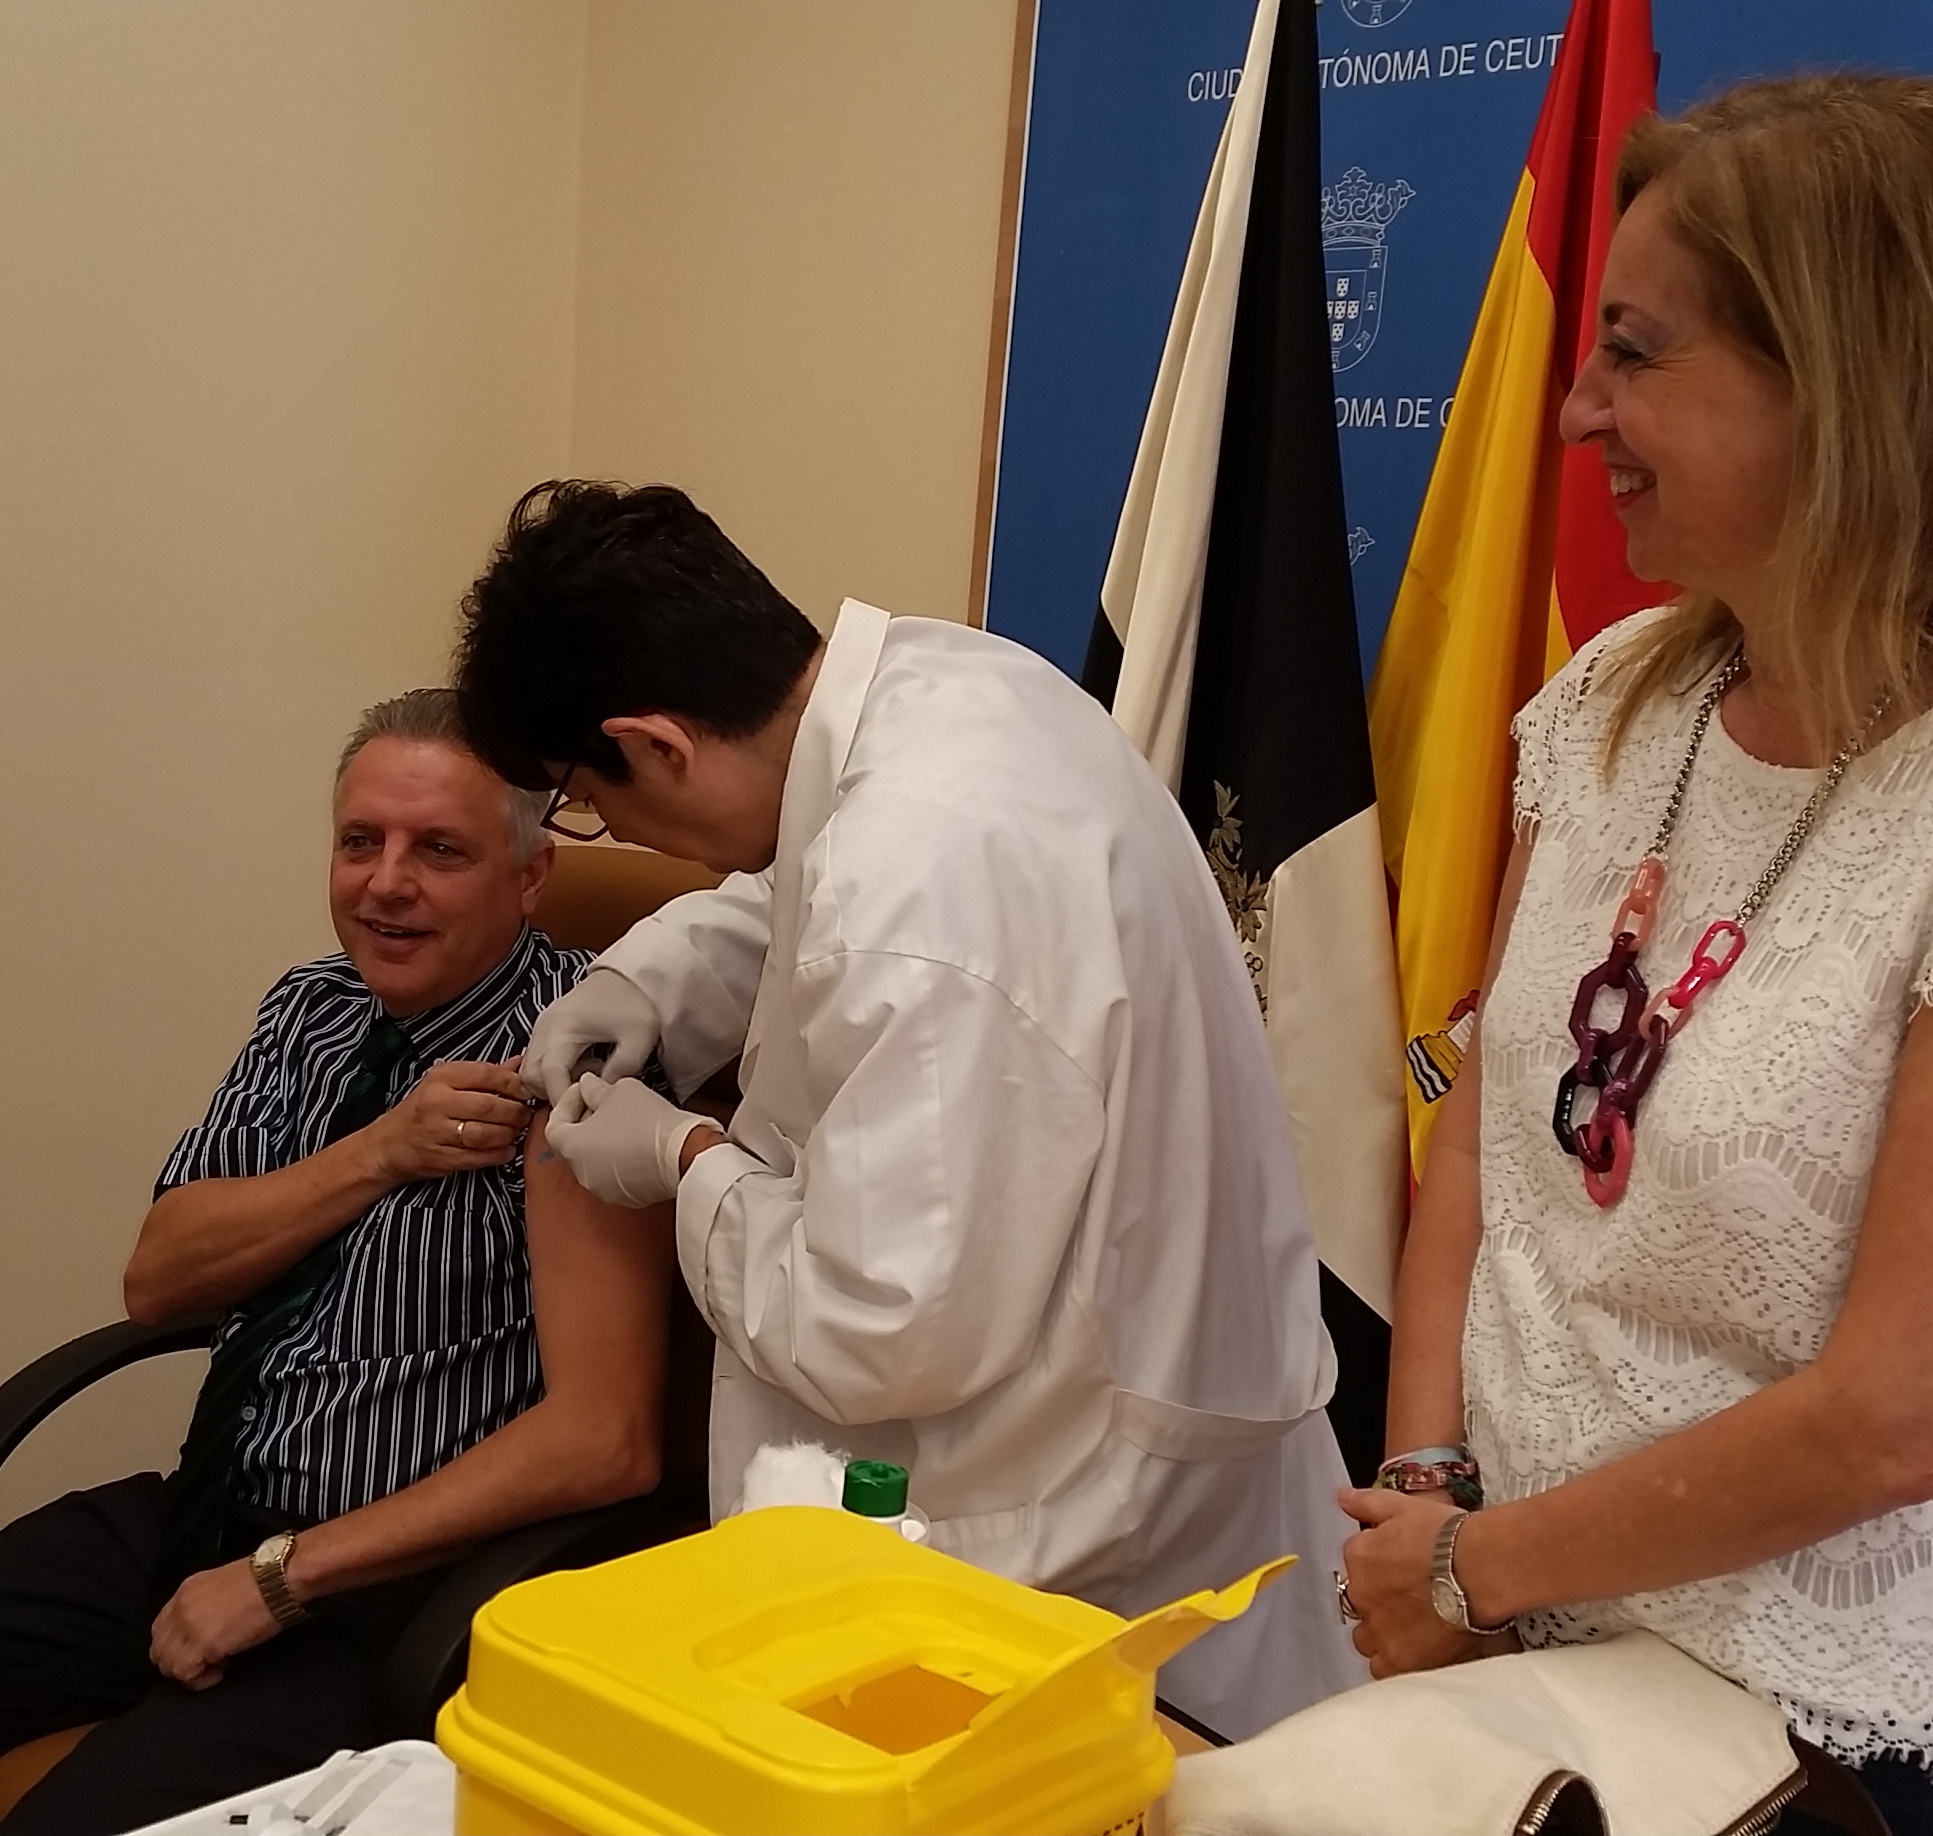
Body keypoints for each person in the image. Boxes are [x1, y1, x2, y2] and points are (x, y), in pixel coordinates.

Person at [1331, 76, 1933, 1835]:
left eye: (1633, 353)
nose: (1577, 410)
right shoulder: (1609, 699)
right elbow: (1491, 1134)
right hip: (1510, 1642)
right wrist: (1428, 1488)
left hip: (1818, 1742)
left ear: (1846, 385)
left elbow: (1897, 1419)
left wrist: (1468, 1568)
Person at [447, 481, 1364, 1740]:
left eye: (588, 800)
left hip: (1068, 1532)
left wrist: (683, 1156)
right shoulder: (947, 690)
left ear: (654, 743)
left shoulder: (916, 881)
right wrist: (648, 979)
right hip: (1140, 1408)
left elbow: (879, 1325)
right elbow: (808, 874)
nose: (614, 832)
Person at [0, 689, 676, 1836]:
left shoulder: (578, 1051)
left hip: (400, 1583)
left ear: (529, 877)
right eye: (359, 841)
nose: (385, 884)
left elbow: (605, 1440)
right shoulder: (312, 1009)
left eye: (439, 850)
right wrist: (380, 1151)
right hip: (210, 1511)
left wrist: (285, 1575)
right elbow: (163, 1279)